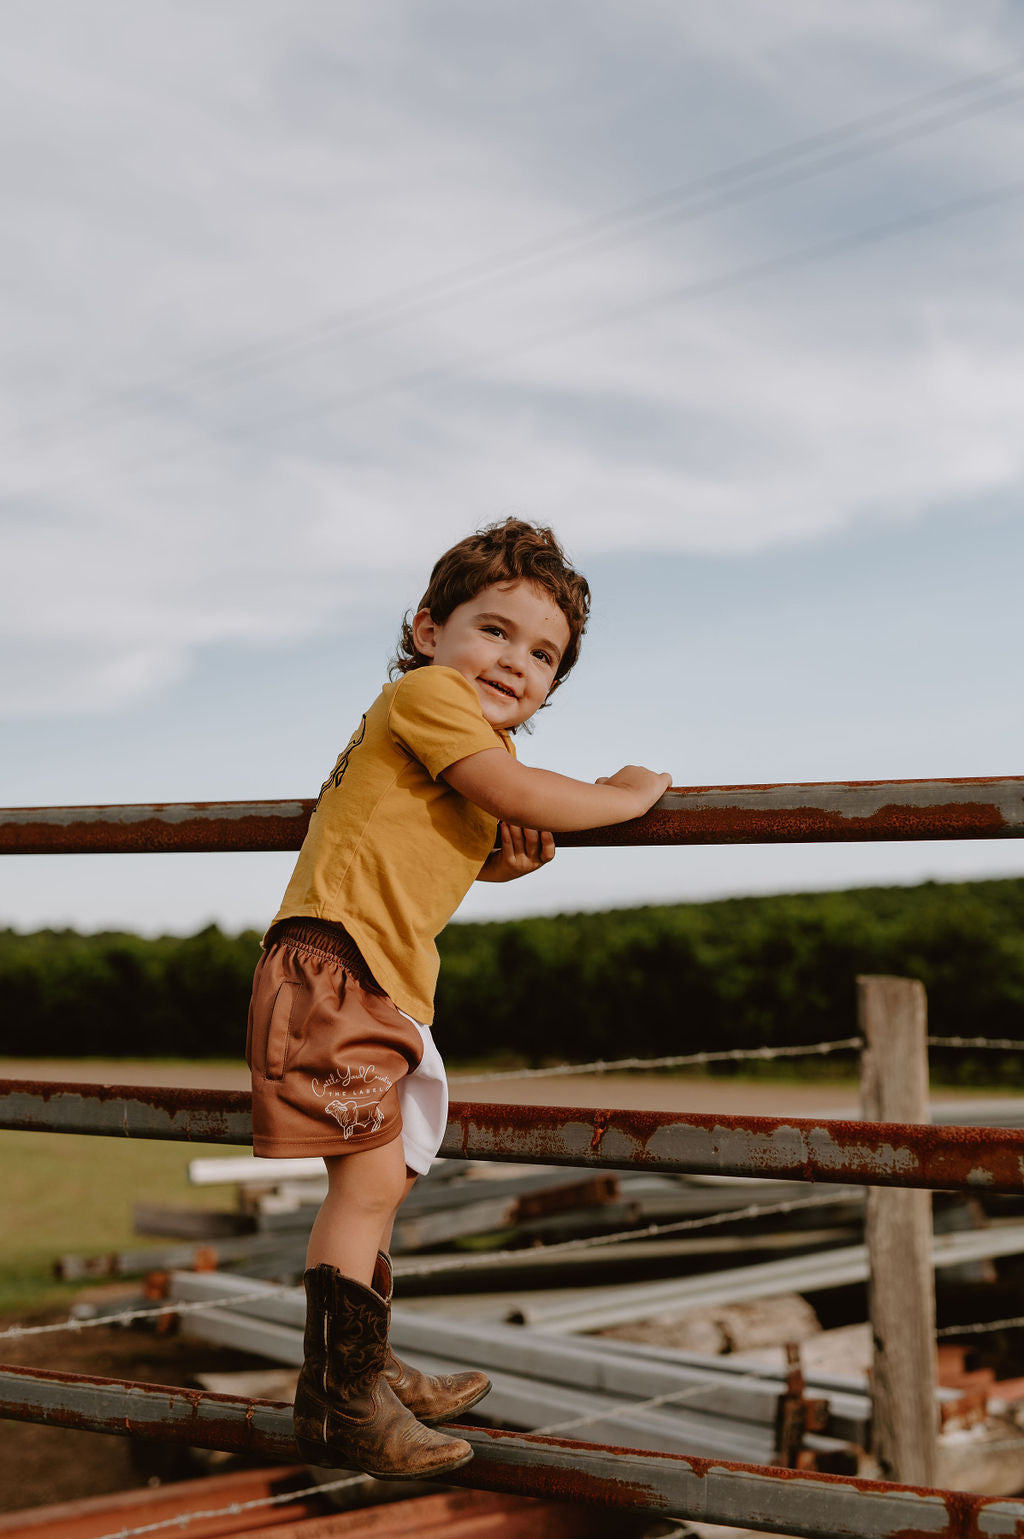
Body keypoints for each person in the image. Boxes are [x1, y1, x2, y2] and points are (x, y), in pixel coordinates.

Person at [246, 518, 671, 1477]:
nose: (515, 661)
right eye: (494, 630)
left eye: (543, 654)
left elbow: (442, 853)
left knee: (382, 1177)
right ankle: (341, 1400)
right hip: (336, 969)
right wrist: (624, 793)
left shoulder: (465, 756)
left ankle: (361, 1364)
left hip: (371, 979)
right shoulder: (428, 696)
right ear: (429, 629)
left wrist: (503, 844)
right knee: (362, 1186)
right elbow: (524, 793)